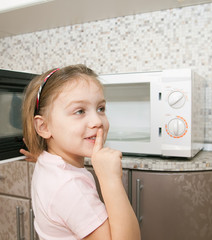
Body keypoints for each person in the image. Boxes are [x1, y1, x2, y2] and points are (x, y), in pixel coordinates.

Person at [21, 64, 141, 240]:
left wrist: (40, 154)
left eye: (101, 108)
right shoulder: (70, 187)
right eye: (79, 111)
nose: (97, 121)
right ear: (44, 127)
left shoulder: (51, 163)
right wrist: (111, 180)